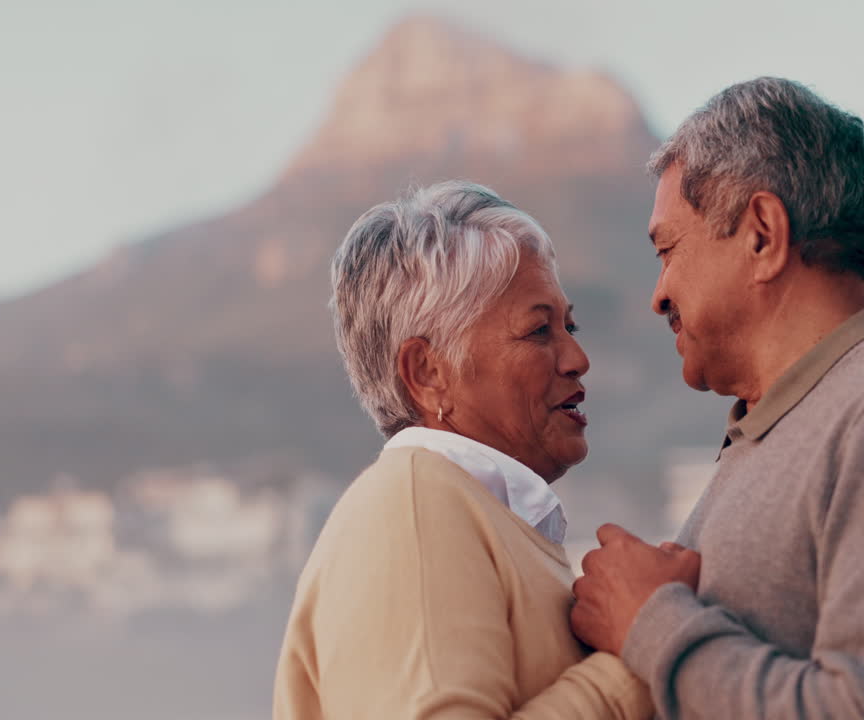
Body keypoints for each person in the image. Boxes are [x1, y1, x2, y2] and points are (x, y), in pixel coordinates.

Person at [570, 77, 864, 719]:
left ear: (761, 234)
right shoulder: (778, 432)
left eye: (668, 250)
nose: (658, 293)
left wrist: (654, 624)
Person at [273, 181, 653, 719]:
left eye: (570, 325)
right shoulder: (414, 506)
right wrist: (632, 658)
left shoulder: (471, 513)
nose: (577, 357)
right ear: (428, 373)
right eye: (540, 331)